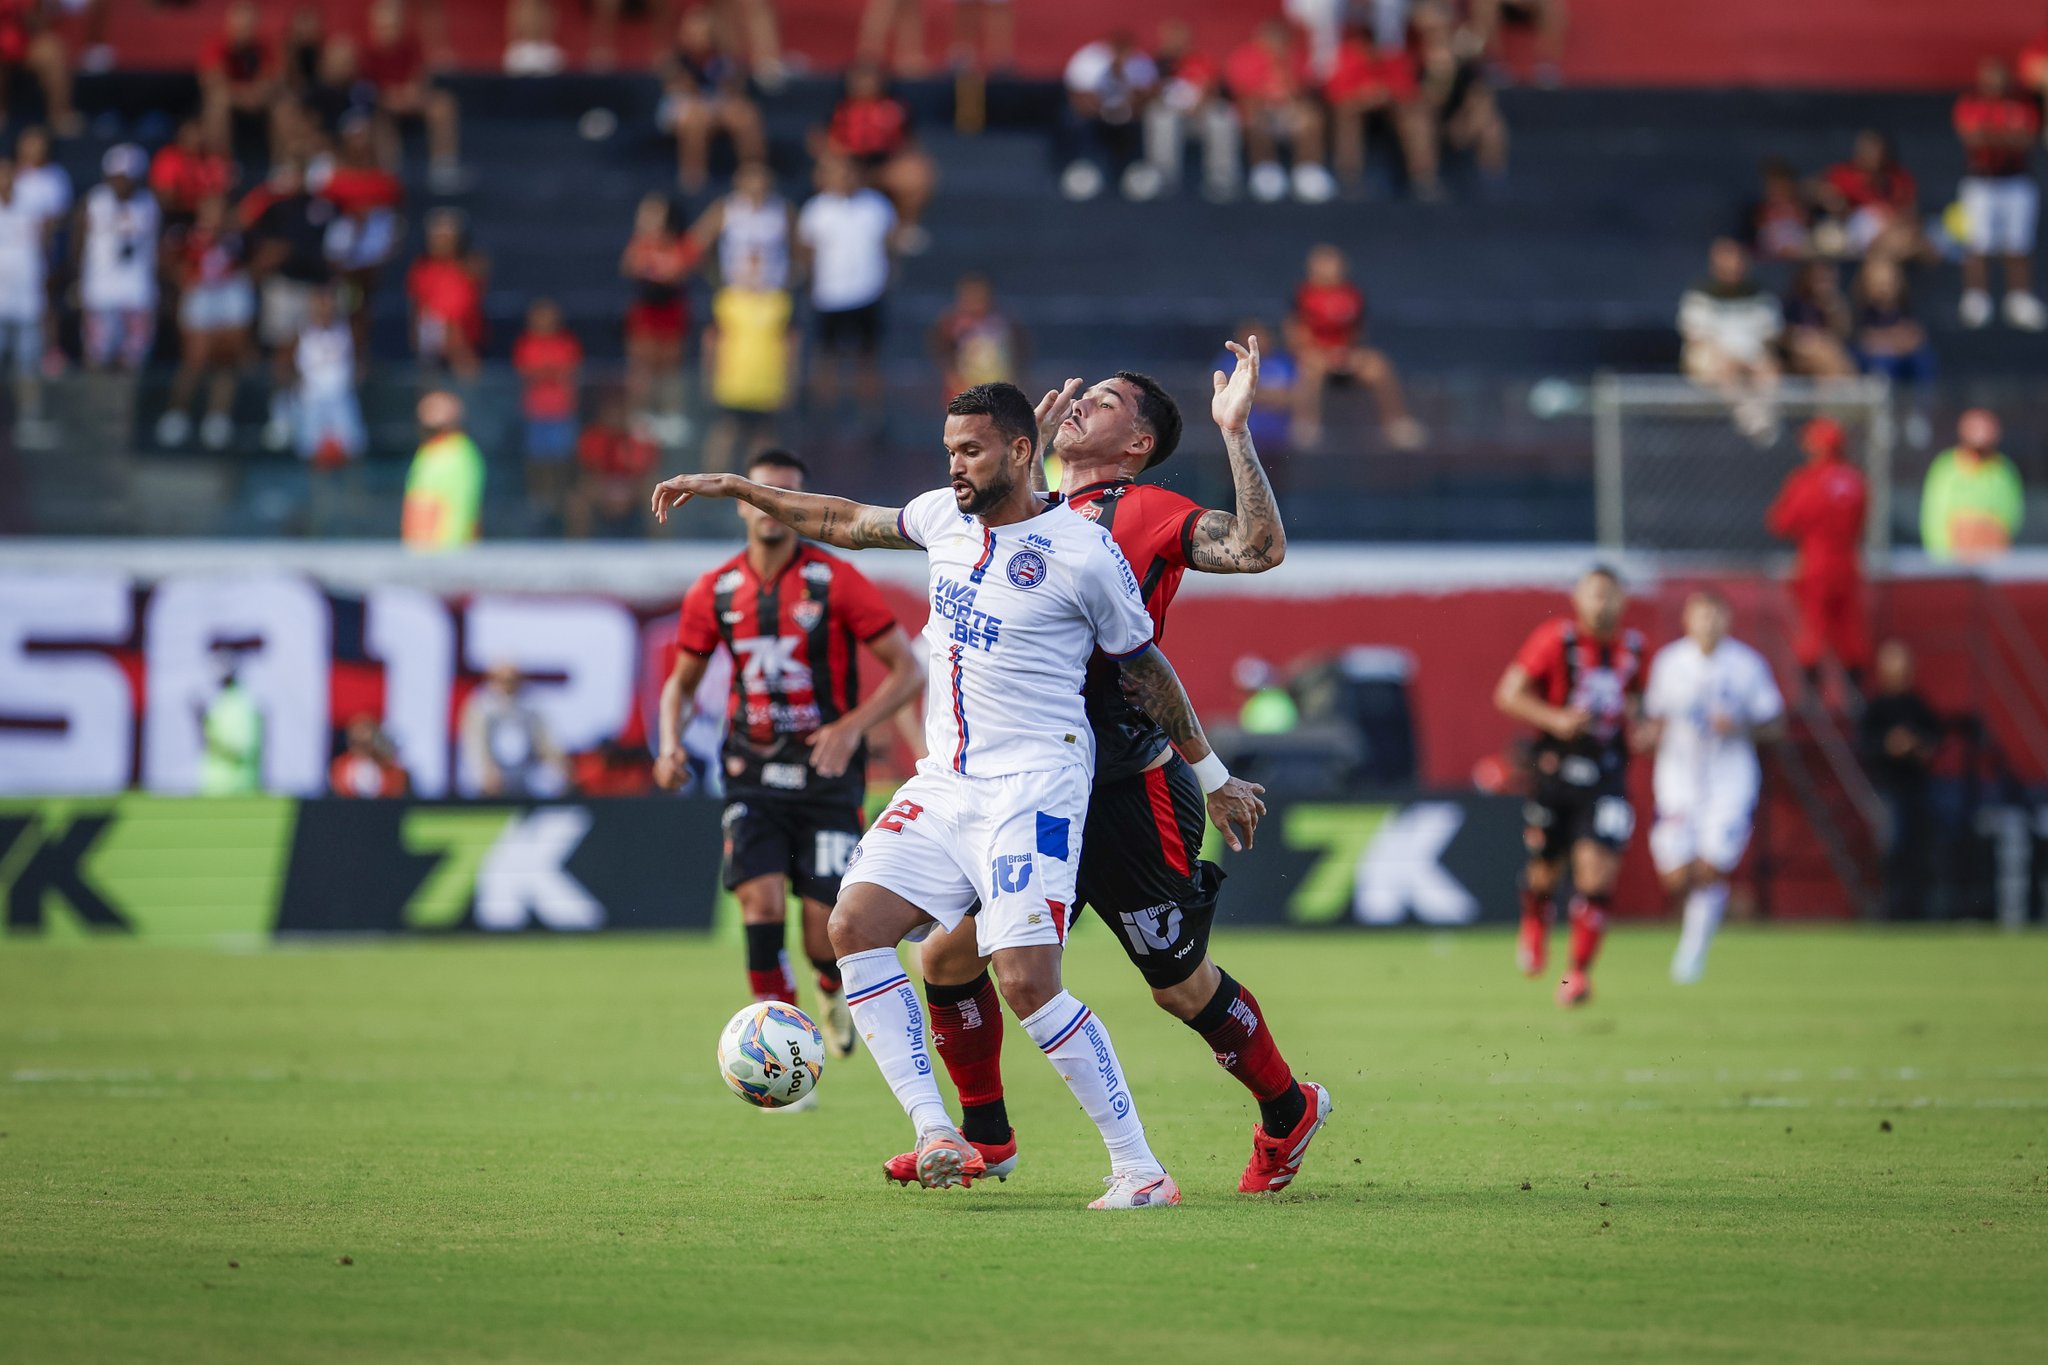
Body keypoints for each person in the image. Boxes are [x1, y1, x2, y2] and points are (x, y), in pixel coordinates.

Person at [650, 382, 1265, 1206]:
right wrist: (736, 488)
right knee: (852, 926)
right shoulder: (944, 516)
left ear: (1019, 450)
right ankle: (938, 1131)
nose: (955, 467)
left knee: (1025, 982)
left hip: (1035, 787)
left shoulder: (1083, 552)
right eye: (949, 451)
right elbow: (840, 519)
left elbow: (1147, 671)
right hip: (947, 781)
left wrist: (1212, 776)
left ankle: (1140, 1168)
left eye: (971, 450)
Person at [897, 344, 1331, 1196]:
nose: (1082, 402)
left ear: (1135, 444)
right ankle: (986, 1136)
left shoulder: (1146, 509)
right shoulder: (1021, 508)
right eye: (1081, 394)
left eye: (1104, 400)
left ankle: (1288, 1109)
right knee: (947, 957)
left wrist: (1235, 432)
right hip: (1021, 783)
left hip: (1124, 785)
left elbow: (1256, 547)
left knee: (1176, 983)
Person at [657, 447, 925, 1063]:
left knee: (821, 928)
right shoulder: (715, 590)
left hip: (826, 776)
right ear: (745, 506)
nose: (775, 506)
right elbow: (681, 682)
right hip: (749, 769)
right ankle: (774, 1047)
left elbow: (906, 671)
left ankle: (829, 987)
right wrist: (670, 743)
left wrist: (852, 727)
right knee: (759, 901)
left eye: (788, 494)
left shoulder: (835, 580)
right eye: (763, 492)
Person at [1494, 566, 1645, 1007]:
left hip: (1608, 773)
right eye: (1596, 594)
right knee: (1545, 869)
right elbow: (1508, 694)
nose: (1603, 604)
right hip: (1556, 769)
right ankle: (1536, 918)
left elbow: (1636, 708)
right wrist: (1556, 719)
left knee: (1596, 875)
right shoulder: (1556, 640)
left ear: (1623, 600)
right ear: (1579, 599)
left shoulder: (1635, 650)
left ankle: (1577, 975)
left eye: (1611, 595)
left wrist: (1645, 730)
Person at [1638, 591, 1785, 985]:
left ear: (1727, 620)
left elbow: (1774, 722)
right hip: (1678, 782)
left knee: (1710, 868)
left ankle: (1692, 952)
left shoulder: (1747, 665)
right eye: (1701, 617)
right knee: (1676, 876)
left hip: (1730, 782)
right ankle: (1727, 909)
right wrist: (1646, 737)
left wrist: (1740, 725)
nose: (1708, 624)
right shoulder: (1670, 663)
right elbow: (1652, 719)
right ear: (1688, 620)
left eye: (1715, 616)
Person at [1766, 417, 1870, 694]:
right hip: (1848, 562)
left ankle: (1810, 699)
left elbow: (1780, 522)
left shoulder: (1806, 481)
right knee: (1849, 630)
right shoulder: (1856, 480)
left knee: (1813, 628)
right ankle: (1854, 694)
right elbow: (1861, 523)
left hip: (1815, 561)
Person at [1285, 242, 1423, 450]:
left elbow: (1357, 332)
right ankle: (1306, 426)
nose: (1331, 268)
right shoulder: (1303, 295)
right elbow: (1295, 333)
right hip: (1316, 357)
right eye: (1325, 263)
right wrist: (1322, 353)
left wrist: (1344, 354)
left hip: (1345, 356)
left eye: (1334, 263)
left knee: (1378, 364)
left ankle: (1396, 423)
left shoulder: (1352, 294)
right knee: (1310, 366)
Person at [243, 160, 337, 451]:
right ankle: (282, 413)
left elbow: (332, 250)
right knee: (284, 352)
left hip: (316, 290)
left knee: (314, 356)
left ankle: (310, 415)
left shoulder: (325, 208)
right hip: (284, 288)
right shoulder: (275, 209)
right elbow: (259, 244)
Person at [796, 153, 896, 426]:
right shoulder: (816, 209)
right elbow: (806, 253)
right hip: (829, 295)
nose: (844, 178)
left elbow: (890, 245)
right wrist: (811, 284)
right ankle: (823, 417)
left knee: (867, 358)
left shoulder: (877, 206)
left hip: (868, 293)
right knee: (826, 359)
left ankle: (872, 418)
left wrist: (886, 279)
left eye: (849, 172)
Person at [157, 193, 252, 451]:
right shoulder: (188, 236)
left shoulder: (238, 238)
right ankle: (177, 414)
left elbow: (250, 264)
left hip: (229, 293)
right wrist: (184, 278)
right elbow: (169, 263)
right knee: (195, 358)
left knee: (226, 359)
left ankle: (218, 418)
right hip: (200, 293)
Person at [1954, 58, 2044, 331]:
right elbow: (1971, 136)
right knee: (1978, 242)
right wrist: (2007, 136)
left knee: (2018, 243)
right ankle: (1976, 298)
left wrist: (1992, 136)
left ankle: (2018, 298)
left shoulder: (2023, 106)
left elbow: (2028, 138)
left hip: (2016, 181)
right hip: (1981, 183)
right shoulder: (1970, 104)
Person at [1858, 641, 1941, 921]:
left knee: (1918, 849)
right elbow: (1865, 746)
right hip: (1886, 789)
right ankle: (1889, 911)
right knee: (1891, 847)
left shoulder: (1918, 704)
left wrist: (1915, 746)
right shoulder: (1876, 707)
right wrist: (1889, 745)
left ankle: (1917, 911)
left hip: (1916, 788)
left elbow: (1934, 743)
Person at [821, 64, 936, 250]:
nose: (864, 84)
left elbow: (910, 143)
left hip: (885, 165)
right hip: (850, 167)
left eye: (870, 78)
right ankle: (831, 224)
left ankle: (904, 228)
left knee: (917, 173)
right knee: (831, 166)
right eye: (859, 78)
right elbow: (826, 141)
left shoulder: (896, 108)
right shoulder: (839, 108)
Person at [701, 249, 796, 473]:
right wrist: (709, 377)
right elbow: (711, 342)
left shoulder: (779, 302)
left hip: (767, 386)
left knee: (763, 440)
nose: (754, 272)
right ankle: (709, 492)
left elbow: (790, 346)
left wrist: (789, 383)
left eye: (759, 265)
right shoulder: (726, 301)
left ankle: (758, 495)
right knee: (726, 434)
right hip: (733, 385)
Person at [1678, 238, 1782, 442]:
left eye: (1737, 259)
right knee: (1722, 367)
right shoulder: (1700, 295)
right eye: (1725, 261)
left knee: (1769, 369)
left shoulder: (1760, 296)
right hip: (1712, 359)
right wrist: (1731, 359)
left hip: (1751, 357)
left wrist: (1748, 360)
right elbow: (1695, 337)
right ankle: (1755, 423)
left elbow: (1770, 337)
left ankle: (1768, 422)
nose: (1732, 266)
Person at [1224, 19, 1337, 204]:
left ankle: (1307, 171)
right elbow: (1241, 93)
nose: (1276, 44)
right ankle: (1266, 170)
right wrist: (1266, 98)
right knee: (1255, 117)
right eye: (1271, 39)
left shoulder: (1295, 58)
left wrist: (1285, 76)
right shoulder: (1244, 58)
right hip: (1260, 109)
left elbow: (1306, 89)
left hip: (1289, 110)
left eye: (1281, 40)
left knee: (1311, 117)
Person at [655, 7, 764, 193]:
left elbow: (734, 89)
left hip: (716, 106)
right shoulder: (675, 61)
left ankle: (753, 173)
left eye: (704, 32)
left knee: (744, 114)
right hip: (682, 108)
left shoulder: (723, 59)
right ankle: (693, 178)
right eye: (694, 32)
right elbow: (678, 91)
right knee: (695, 118)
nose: (699, 36)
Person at [620, 193, 700, 446]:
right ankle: (640, 416)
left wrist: (658, 268)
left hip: (671, 311)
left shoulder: (678, 244)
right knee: (642, 363)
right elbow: (630, 267)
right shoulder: (640, 244)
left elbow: (678, 271)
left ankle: (670, 415)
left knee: (670, 365)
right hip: (646, 312)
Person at [361, 0, 464, 195]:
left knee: (443, 104)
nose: (390, 29)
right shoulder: (368, 53)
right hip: (386, 106)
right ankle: (390, 172)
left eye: (395, 23)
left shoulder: (410, 44)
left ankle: (443, 167)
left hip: (411, 99)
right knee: (377, 119)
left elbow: (420, 75)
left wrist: (411, 93)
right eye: (386, 25)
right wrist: (390, 99)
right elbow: (370, 90)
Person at [1324, 24, 1437, 200]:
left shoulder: (1393, 58)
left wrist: (1386, 96)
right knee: (1348, 119)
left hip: (1391, 116)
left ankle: (1424, 180)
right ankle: (1349, 180)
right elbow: (1335, 97)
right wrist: (1363, 99)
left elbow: (1410, 94)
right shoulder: (1347, 58)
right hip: (1358, 114)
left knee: (1417, 121)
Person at [76, 145, 160, 373]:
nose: (121, 183)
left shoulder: (149, 204)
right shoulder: (94, 200)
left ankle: (127, 407)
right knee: (96, 355)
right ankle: (96, 405)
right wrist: (78, 280)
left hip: (137, 291)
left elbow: (157, 247)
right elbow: (78, 242)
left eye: (127, 177)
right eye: (117, 177)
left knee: (134, 357)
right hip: (100, 289)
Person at [1142, 19, 1239, 202]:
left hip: (1199, 113)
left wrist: (1203, 101)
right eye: (1173, 38)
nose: (1177, 41)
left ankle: (1222, 177)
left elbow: (1214, 88)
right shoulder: (1154, 62)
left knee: (1222, 115)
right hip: (1170, 112)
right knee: (1162, 116)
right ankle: (1164, 176)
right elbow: (1147, 93)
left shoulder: (1201, 60)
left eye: (1181, 38)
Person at [1059, 32, 1159, 202]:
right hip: (1093, 115)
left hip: (1130, 117)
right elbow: (1077, 95)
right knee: (1074, 120)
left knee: (1150, 122)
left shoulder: (1140, 63)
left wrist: (1127, 109)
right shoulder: (1089, 59)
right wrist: (1104, 111)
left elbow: (1149, 93)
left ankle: (1139, 169)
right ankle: (1083, 167)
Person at [1920, 408, 2024, 564]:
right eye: (1976, 428)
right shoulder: (1946, 468)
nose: (1981, 433)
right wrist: (1946, 558)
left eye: (1987, 428)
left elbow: (2012, 514)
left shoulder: (2004, 470)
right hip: (1953, 564)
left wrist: (1990, 535)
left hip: (1993, 560)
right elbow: (1934, 517)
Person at [513, 297, 584, 514]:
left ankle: (562, 501)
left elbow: (569, 372)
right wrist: (549, 372)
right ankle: (540, 502)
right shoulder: (525, 344)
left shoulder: (567, 343)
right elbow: (528, 373)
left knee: (563, 461)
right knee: (537, 461)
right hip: (536, 413)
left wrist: (546, 372)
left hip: (562, 412)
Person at [1815, 130, 1921, 264]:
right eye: (1867, 150)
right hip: (1854, 230)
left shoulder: (1899, 178)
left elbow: (1911, 212)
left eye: (1877, 151)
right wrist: (1836, 204)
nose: (1873, 156)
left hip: (1893, 232)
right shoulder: (1842, 175)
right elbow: (1818, 192)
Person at [688, 160, 792, 296]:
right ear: (738, 181)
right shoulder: (725, 208)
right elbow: (696, 243)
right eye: (750, 177)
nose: (756, 183)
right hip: (735, 292)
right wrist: (713, 278)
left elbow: (800, 249)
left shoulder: (783, 210)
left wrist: (792, 277)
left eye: (759, 177)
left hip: (773, 293)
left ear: (770, 180)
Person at [459, 661, 564, 797]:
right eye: (502, 680)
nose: (508, 685)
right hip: (492, 778)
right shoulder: (481, 709)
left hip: (528, 776)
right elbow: (474, 748)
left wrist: (555, 765)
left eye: (512, 680)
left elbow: (548, 745)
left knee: (551, 778)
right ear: (492, 680)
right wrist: (486, 772)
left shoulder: (531, 708)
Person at [407, 208, 485, 380]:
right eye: (435, 235)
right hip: (431, 340)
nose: (439, 240)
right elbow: (416, 303)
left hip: (464, 339)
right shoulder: (421, 267)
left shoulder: (471, 265)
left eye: (445, 235)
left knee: (467, 382)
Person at [292, 286, 365, 468]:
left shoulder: (348, 330)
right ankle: (314, 494)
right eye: (320, 304)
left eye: (328, 304)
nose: (324, 309)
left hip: (341, 398)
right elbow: (289, 369)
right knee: (310, 452)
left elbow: (360, 364)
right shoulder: (300, 333)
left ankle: (354, 494)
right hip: (311, 400)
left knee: (353, 449)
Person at [0, 156, 49, 429]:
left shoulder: (31, 208)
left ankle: (29, 418)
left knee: (28, 365)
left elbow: (44, 246)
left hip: (27, 301)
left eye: (8, 174)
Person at [568, 394, 659, 539]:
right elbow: (588, 470)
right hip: (602, 485)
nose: (614, 418)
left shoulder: (638, 437)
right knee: (578, 502)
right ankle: (579, 546)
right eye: (610, 414)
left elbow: (644, 470)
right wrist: (605, 490)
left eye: (618, 413)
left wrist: (628, 489)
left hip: (631, 486)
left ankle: (660, 547)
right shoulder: (592, 437)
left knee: (658, 495)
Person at [402, 390, 484, 550]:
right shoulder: (429, 451)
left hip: (445, 554)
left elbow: (461, 509)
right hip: (423, 552)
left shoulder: (459, 453)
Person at [198, 0, 281, 158]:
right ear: (230, 22)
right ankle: (220, 162)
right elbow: (213, 82)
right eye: (242, 23)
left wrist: (256, 94)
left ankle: (282, 163)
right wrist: (243, 96)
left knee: (283, 106)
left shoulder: (264, 46)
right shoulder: (215, 44)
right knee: (218, 102)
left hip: (258, 100)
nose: (245, 28)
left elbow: (271, 78)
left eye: (250, 23)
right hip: (231, 99)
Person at [927, 272, 1024, 396]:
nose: (975, 301)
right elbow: (940, 352)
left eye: (980, 296)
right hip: (963, 388)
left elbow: (1019, 352)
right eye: (970, 295)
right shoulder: (951, 322)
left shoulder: (1004, 321)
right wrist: (952, 375)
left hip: (998, 387)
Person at [198, 647, 264, 796]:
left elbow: (242, 749)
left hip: (237, 790)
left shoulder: (241, 705)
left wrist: (205, 730)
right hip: (216, 790)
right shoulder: (221, 703)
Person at [1777, 260, 1855, 379]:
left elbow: (1842, 334)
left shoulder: (1835, 303)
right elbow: (1783, 334)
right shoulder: (1793, 302)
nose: (1821, 282)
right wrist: (1803, 337)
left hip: (1828, 351)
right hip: (1798, 354)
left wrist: (1830, 306)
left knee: (1829, 355)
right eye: (1818, 277)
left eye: (1825, 278)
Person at [330, 714, 408, 797]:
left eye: (365, 744)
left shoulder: (391, 767)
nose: (360, 736)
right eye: (356, 742)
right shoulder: (339, 766)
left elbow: (395, 791)